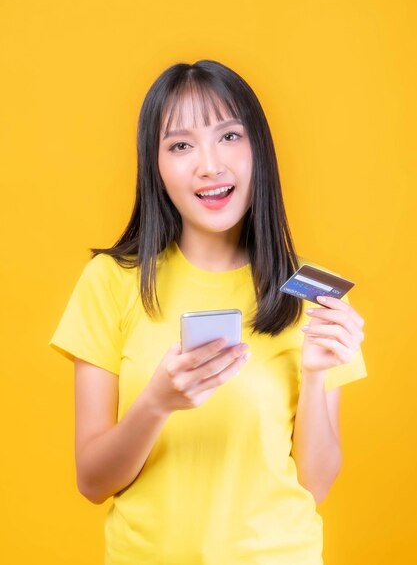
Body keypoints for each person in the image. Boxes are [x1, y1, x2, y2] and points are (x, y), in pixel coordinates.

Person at [49, 59, 367, 564]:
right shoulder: (111, 283)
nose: (209, 165)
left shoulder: (313, 293)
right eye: (180, 145)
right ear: (154, 164)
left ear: (258, 148)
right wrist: (156, 402)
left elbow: (316, 484)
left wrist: (314, 377)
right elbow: (92, 481)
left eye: (229, 136)